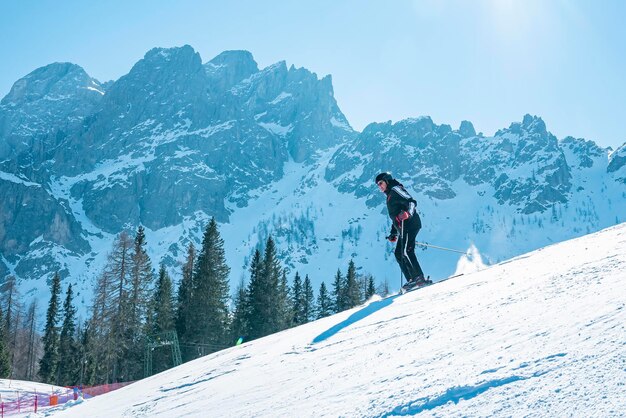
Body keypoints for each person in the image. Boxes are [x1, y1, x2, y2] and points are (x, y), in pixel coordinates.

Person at [375, 172, 429, 288]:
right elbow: (396, 217)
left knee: (406, 251)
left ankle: (419, 278)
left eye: (381, 183)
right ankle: (411, 279)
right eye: (377, 185)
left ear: (387, 181)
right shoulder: (389, 194)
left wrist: (408, 213)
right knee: (399, 253)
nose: (379, 186)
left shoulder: (395, 189)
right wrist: (393, 233)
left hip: (411, 224)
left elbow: (411, 202)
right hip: (403, 227)